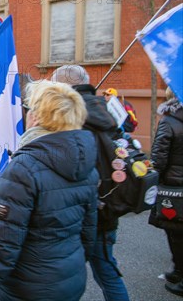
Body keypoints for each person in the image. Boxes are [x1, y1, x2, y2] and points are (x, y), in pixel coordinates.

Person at [0, 80, 98, 301]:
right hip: (70, 278)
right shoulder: (86, 163)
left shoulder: (24, 169)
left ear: (37, 116)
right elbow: (88, 232)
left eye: (28, 109)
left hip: (29, 288)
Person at [52, 64, 129, 301]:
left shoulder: (70, 116)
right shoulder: (105, 108)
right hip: (107, 203)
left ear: (64, 87)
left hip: (78, 208)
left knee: (59, 275)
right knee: (105, 267)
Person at [150, 87, 183, 296]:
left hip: (173, 187)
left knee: (175, 233)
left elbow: (158, 159)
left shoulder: (169, 122)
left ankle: (179, 273)